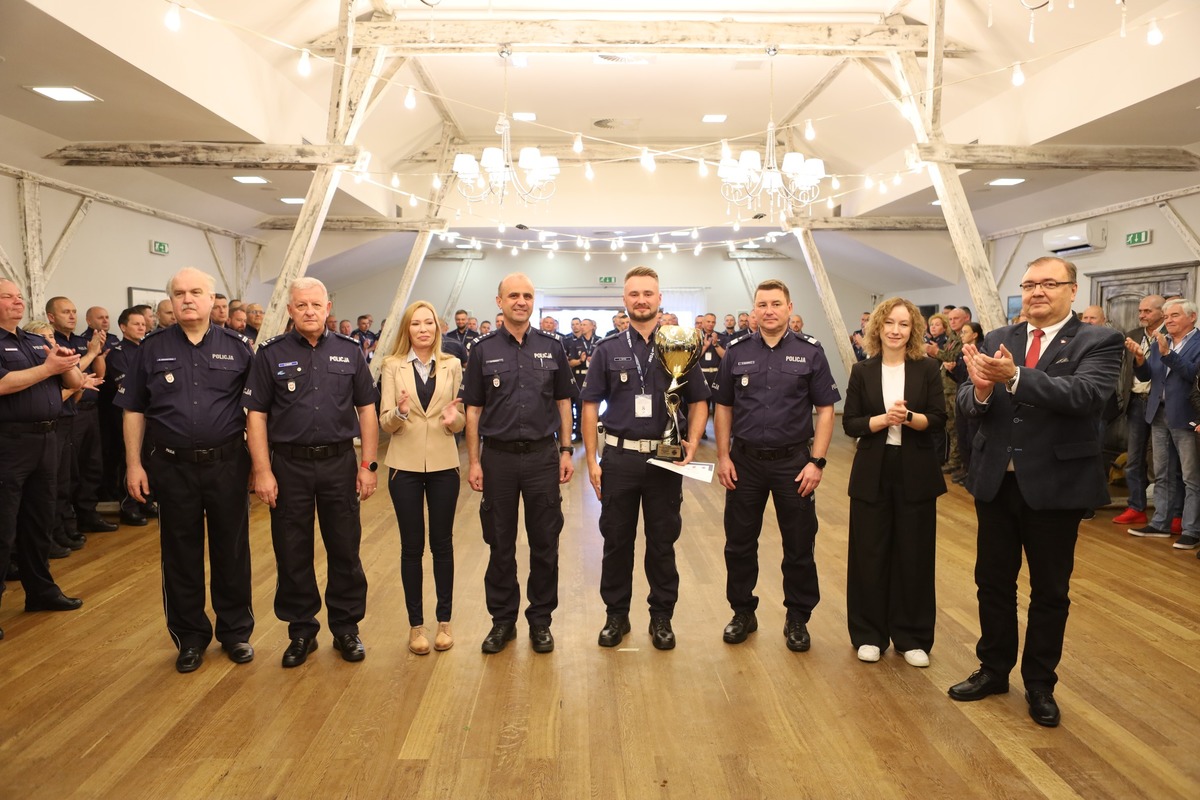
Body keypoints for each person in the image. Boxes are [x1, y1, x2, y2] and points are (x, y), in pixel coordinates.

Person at [949, 256, 1123, 728]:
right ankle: (993, 669)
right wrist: (981, 390)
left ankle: (1040, 683)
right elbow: (968, 400)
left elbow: (1086, 396)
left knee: (1049, 590)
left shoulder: (1098, 341)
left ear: (1072, 290)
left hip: (1055, 485)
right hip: (996, 482)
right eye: (1029, 285)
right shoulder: (998, 338)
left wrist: (1015, 378)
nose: (1037, 292)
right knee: (992, 583)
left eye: (1049, 283)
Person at [117, 267, 256, 673]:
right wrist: (133, 464)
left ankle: (235, 633)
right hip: (171, 467)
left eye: (196, 292)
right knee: (180, 554)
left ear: (213, 300)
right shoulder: (151, 348)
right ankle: (190, 638)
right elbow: (133, 409)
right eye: (179, 293)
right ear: (171, 302)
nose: (187, 299)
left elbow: (256, 412)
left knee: (232, 551)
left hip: (227, 464)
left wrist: (259, 465)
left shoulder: (238, 348)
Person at [244, 277, 379, 668]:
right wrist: (262, 471)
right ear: (290, 310)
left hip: (339, 463)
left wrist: (368, 465)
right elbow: (256, 415)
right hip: (289, 466)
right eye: (301, 305)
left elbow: (367, 410)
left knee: (345, 549)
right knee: (292, 551)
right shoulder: (270, 353)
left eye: (316, 305)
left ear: (327, 309)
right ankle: (301, 630)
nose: (309, 311)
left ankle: (346, 628)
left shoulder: (350, 351)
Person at [581, 266, 709, 650]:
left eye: (648, 293)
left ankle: (661, 617)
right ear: (624, 299)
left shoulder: (680, 345)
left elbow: (699, 400)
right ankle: (616, 616)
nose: (641, 300)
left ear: (659, 298)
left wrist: (693, 441)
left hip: (664, 460)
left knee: (662, 543)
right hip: (619, 459)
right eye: (634, 294)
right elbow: (590, 405)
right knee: (616, 543)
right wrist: (591, 460)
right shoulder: (607, 350)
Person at [713, 279, 838, 652]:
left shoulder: (810, 352)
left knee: (799, 544)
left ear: (789, 307)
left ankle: (797, 617)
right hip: (745, 463)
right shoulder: (735, 352)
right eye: (762, 304)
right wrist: (723, 456)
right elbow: (724, 407)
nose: (769, 310)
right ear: (754, 310)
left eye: (776, 303)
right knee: (739, 544)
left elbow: (826, 410)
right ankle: (742, 613)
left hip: (794, 464)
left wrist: (817, 461)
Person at [463, 273, 576, 654]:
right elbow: (473, 409)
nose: (521, 301)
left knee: (545, 543)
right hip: (498, 459)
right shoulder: (482, 350)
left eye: (527, 295)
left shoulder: (552, 346)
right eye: (513, 295)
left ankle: (540, 621)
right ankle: (503, 621)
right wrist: (474, 461)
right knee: (500, 544)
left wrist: (565, 450)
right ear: (499, 301)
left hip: (543, 457)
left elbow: (564, 402)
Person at [842, 298, 946, 666]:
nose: (895, 330)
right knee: (868, 553)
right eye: (889, 323)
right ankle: (869, 634)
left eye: (903, 324)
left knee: (915, 554)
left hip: (916, 470)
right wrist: (884, 420)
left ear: (913, 329)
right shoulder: (862, 370)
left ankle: (912, 637)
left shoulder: (927, 368)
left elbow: (938, 419)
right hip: (872, 469)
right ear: (878, 327)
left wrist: (910, 417)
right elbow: (850, 423)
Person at [0, 280, 86, 639]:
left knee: (40, 519)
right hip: (9, 442)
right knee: (4, 525)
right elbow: (3, 384)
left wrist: (65, 363)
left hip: (47, 438)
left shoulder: (35, 341)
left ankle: (40, 590)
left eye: (20, 296)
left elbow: (75, 380)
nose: (17, 301)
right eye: (7, 296)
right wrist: (48, 369)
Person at [379, 301, 465, 655]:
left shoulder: (452, 364)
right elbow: (385, 421)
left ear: (437, 328)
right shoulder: (392, 365)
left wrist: (454, 421)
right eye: (416, 324)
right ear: (407, 329)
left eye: (429, 323)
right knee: (411, 547)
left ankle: (444, 622)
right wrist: (400, 412)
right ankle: (416, 626)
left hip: (445, 465)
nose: (423, 329)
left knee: (442, 545)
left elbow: (459, 418)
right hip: (404, 467)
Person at [1128, 298, 1200, 548]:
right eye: (1166, 316)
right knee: (1162, 473)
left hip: (1186, 417)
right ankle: (1160, 523)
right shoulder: (1162, 341)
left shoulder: (1197, 343)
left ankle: (1192, 529)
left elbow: (1193, 374)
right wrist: (1140, 359)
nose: (1168, 320)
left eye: (1175, 315)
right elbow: (1148, 376)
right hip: (1158, 414)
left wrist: (1168, 354)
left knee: (1191, 477)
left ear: (1192, 317)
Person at [47, 296, 115, 541]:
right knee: (69, 470)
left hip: (89, 409)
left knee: (92, 464)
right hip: (67, 410)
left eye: (74, 311)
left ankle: (88, 514)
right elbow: (71, 375)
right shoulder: (50, 342)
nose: (72, 316)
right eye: (66, 312)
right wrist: (92, 352)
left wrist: (98, 352)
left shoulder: (81, 341)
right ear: (51, 317)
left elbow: (100, 375)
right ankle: (68, 521)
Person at [1112, 295, 1166, 527]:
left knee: (1163, 461)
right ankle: (1136, 507)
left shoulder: (1171, 335)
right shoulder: (1133, 335)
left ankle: (1168, 513)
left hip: (1162, 405)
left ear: (1162, 312)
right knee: (1134, 459)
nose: (1142, 315)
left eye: (1147, 311)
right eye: (1140, 311)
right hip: (1136, 401)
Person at [101, 307, 155, 526]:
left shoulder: (147, 349)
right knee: (130, 459)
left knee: (148, 458)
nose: (141, 327)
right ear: (123, 327)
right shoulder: (118, 353)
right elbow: (126, 385)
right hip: (126, 414)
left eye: (143, 324)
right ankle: (128, 505)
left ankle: (146, 500)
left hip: (150, 413)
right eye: (136, 324)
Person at [949, 321, 985, 485]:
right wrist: (952, 370)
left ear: (975, 334)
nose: (961, 335)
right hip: (961, 396)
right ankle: (966, 469)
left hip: (975, 399)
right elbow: (961, 377)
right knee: (962, 433)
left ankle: (973, 471)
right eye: (961, 332)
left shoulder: (981, 350)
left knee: (972, 436)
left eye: (965, 332)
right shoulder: (962, 351)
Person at [568, 318, 600, 442]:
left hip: (594, 376)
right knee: (579, 406)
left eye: (584, 324)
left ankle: (595, 433)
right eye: (581, 324)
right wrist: (580, 360)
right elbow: (570, 362)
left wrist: (594, 360)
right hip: (579, 377)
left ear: (592, 326)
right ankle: (578, 434)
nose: (581, 326)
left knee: (593, 406)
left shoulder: (599, 341)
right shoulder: (575, 342)